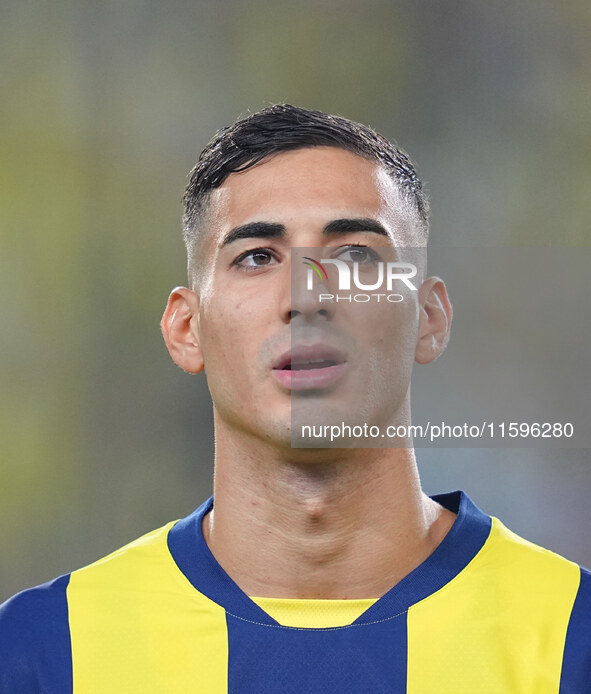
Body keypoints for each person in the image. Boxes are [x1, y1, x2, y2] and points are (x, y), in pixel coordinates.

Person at [1, 104, 589, 693]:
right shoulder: (43, 652)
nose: (307, 297)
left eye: (356, 255)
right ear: (186, 328)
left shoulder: (573, 637)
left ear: (429, 317)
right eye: (257, 257)